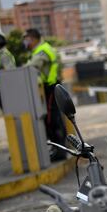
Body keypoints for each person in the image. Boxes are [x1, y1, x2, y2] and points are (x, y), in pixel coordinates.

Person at [24, 28, 66, 161]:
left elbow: (31, 66)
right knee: (54, 119)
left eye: (27, 38)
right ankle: (58, 149)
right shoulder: (45, 48)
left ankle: (59, 151)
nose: (25, 42)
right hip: (52, 86)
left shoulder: (42, 50)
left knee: (51, 120)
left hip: (50, 87)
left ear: (33, 38)